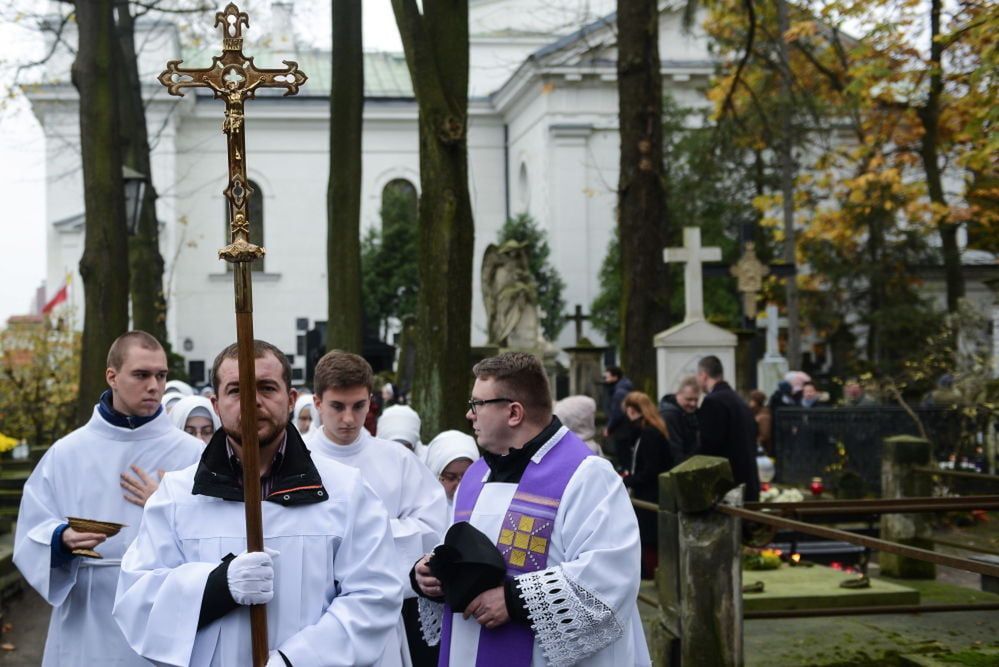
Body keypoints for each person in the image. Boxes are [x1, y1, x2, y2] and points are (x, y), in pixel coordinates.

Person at [113, 339, 404, 666]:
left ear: (291, 399)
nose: (252, 403)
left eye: (267, 388)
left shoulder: (345, 491)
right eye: (236, 391)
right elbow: (137, 602)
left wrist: (297, 661)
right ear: (216, 403)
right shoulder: (177, 497)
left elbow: (374, 596)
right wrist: (217, 586)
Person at [413, 352, 650, 666]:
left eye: (477, 405)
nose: (470, 415)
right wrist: (431, 578)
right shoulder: (474, 476)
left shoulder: (588, 475)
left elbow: (610, 575)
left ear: (513, 413)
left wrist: (513, 600)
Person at [14, 331, 204, 666]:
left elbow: (217, 534)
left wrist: (168, 507)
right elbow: (31, 532)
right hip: (88, 614)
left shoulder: (192, 454)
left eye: (161, 376)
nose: (154, 386)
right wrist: (60, 539)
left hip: (161, 614)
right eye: (141, 375)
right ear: (112, 376)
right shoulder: (67, 453)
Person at [308, 351, 446, 667]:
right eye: (337, 406)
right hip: (311, 619)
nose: (348, 418)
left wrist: (364, 534)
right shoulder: (295, 459)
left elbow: (433, 527)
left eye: (358, 406)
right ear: (317, 403)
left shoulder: (397, 460)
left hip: (377, 619)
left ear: (371, 401)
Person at [621, 391, 674, 580]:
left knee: (649, 539)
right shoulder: (648, 432)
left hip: (650, 494)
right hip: (648, 492)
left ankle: (651, 576)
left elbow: (650, 470)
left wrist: (626, 480)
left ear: (632, 411)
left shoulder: (649, 434)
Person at [694, 355, 760, 502]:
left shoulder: (713, 402)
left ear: (703, 375)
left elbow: (709, 447)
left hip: (729, 486)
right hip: (748, 481)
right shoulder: (738, 400)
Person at [425, 429, 481, 508]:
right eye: (451, 477)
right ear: (434, 476)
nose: (459, 486)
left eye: (467, 477)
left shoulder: (485, 508)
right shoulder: (418, 514)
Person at [658, 375, 700, 463]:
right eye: (689, 399)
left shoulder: (691, 414)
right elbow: (675, 451)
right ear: (678, 394)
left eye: (696, 400)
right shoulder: (669, 415)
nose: (693, 404)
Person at [602, 365, 636, 468]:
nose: (605, 380)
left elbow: (617, 413)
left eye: (607, 377)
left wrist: (609, 427)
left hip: (622, 431)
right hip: (626, 429)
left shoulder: (619, 393)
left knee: (624, 457)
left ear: (615, 377)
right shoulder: (624, 388)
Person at [748, 390, 772, 455]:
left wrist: (753, 441)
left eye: (751, 400)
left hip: (762, 450)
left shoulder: (763, 416)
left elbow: (765, 435)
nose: (749, 402)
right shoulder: (755, 413)